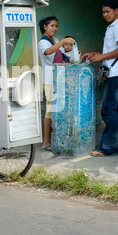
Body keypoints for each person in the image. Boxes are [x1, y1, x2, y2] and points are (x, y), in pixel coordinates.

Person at [81, 0, 118, 157]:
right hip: (116, 73)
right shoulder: (112, 27)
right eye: (103, 12)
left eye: (108, 11)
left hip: (115, 74)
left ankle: (108, 147)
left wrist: (102, 56)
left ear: (116, 10)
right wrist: (95, 54)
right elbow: (111, 51)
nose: (105, 14)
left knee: (108, 110)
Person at [38, 16, 76, 151]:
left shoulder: (56, 40)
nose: (54, 28)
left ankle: (59, 139)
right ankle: (46, 141)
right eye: (52, 26)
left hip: (59, 79)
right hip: (49, 81)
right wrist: (62, 42)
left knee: (59, 110)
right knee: (49, 111)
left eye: (56, 26)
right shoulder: (43, 42)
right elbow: (48, 52)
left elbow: (63, 55)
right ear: (45, 27)